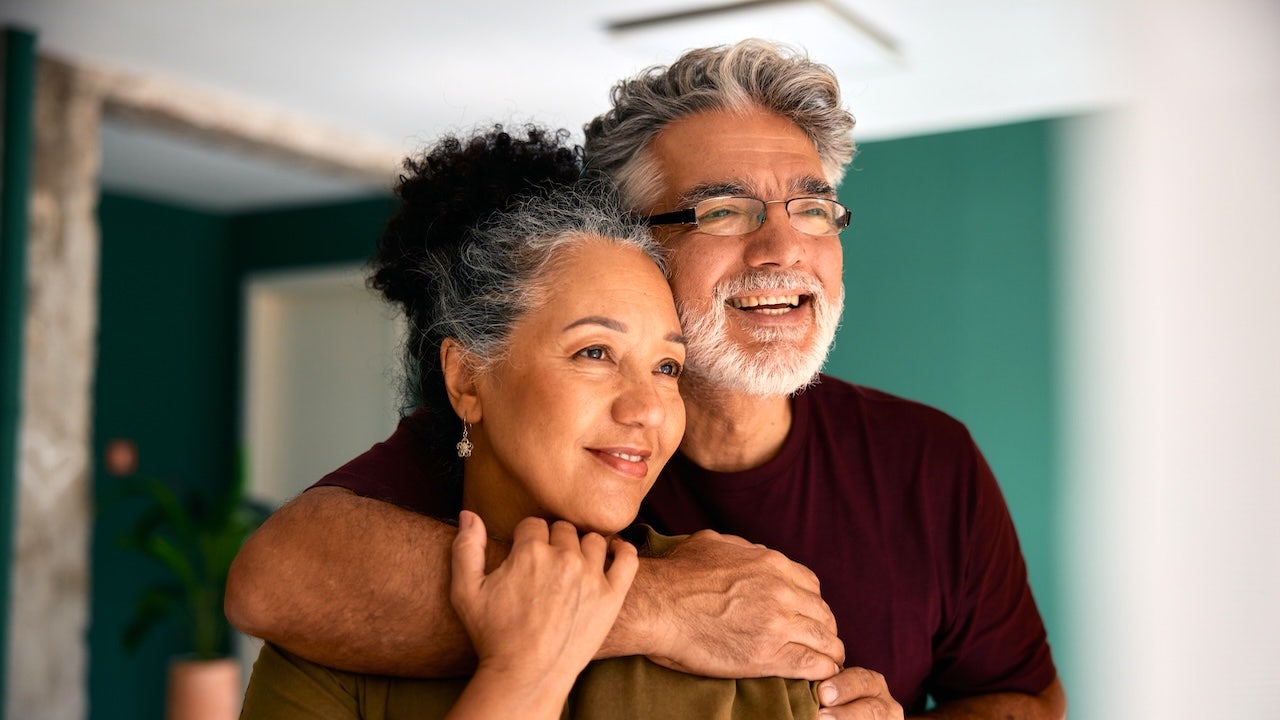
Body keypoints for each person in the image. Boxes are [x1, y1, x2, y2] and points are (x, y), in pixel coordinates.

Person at [227, 40, 1065, 718]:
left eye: (812, 208)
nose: (784, 249)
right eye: (722, 211)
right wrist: (662, 608)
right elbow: (278, 578)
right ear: (631, 248)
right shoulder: (516, 442)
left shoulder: (929, 460)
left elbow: (1025, 700)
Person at [238, 124, 822, 719]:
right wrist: (526, 670)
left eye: (667, 367)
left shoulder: (750, 624)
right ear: (468, 379)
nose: (647, 409)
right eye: (595, 353)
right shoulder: (328, 642)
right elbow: (271, 573)